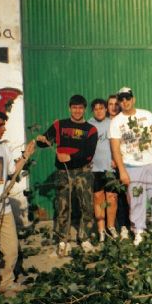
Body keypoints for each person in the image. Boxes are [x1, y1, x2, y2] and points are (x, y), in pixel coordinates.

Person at [109, 87, 152, 246]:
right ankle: (139, 231)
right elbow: (115, 149)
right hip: (131, 166)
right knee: (136, 200)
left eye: (127, 98)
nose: (125, 102)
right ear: (119, 102)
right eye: (122, 99)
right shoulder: (116, 122)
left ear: (133, 99)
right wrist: (122, 170)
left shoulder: (146, 115)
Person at [36, 95, 98, 255]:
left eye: (80, 107)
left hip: (83, 172)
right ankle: (63, 240)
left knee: (87, 206)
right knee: (63, 207)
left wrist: (71, 157)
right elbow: (44, 142)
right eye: (74, 107)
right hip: (63, 172)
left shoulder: (91, 130)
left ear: (84, 109)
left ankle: (84, 238)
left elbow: (89, 153)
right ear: (69, 108)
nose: (77, 110)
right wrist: (40, 140)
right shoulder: (59, 125)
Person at [0, 109, 35, 297]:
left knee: (11, 250)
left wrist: (25, 156)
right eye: (0, 125)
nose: (4, 129)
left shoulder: (3, 148)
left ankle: (5, 282)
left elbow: (11, 172)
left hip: (3, 209)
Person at [88, 99, 118, 242]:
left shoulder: (112, 123)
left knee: (111, 197)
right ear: (92, 111)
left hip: (110, 168)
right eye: (96, 109)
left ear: (106, 109)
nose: (99, 111)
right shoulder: (88, 125)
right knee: (98, 197)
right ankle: (101, 230)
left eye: (101, 108)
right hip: (94, 168)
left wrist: (116, 160)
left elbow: (117, 144)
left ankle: (111, 227)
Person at [108, 94, 130, 240]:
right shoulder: (104, 123)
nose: (114, 107)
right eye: (110, 104)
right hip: (108, 168)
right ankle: (109, 228)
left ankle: (125, 226)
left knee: (125, 197)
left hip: (124, 164)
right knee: (110, 198)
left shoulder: (124, 122)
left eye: (116, 104)